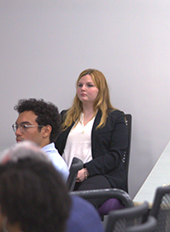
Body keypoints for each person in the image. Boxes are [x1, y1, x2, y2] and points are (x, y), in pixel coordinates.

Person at [55, 69, 128, 214]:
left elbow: (116, 155)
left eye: (89, 85)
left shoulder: (115, 118)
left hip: (100, 175)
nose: (83, 88)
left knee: (79, 202)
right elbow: (55, 149)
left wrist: (87, 171)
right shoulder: (65, 116)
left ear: (101, 90)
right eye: (80, 85)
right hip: (66, 175)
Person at [13, 98, 69, 180]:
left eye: (24, 127)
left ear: (46, 131)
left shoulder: (49, 168)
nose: (17, 132)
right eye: (17, 127)